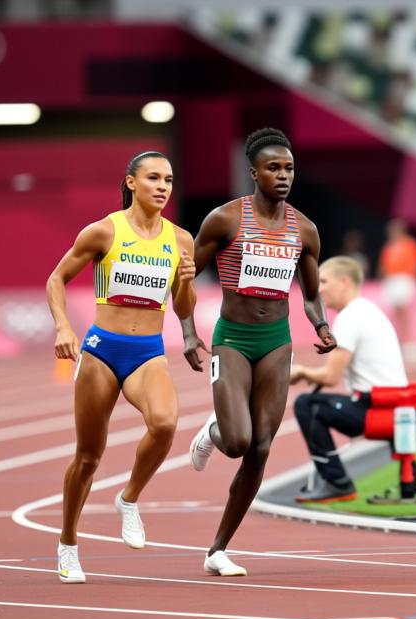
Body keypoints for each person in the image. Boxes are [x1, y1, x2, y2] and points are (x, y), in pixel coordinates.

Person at [182, 128, 336, 577]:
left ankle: (217, 549)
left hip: (276, 343)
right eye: (273, 168)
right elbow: (185, 275)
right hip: (232, 339)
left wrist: (322, 325)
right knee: (236, 441)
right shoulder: (225, 220)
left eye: (288, 168)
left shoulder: (304, 229)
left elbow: (309, 293)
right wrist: (190, 333)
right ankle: (215, 430)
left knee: (261, 446)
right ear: (254, 173)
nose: (283, 175)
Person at [46, 151, 197, 584]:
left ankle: (129, 499)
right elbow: (56, 279)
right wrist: (63, 327)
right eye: (153, 178)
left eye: (168, 179)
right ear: (131, 182)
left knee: (165, 424)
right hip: (102, 349)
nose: (163, 186)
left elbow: (183, 309)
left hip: (147, 350)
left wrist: (186, 280)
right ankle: (68, 542)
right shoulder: (103, 231)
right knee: (89, 456)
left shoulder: (181, 240)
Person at [289, 256, 409, 503]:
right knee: (316, 400)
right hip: (403, 409)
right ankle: (407, 484)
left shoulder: (350, 317)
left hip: (380, 410)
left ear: (344, 282)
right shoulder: (367, 310)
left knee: (306, 404)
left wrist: (300, 371)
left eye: (324, 281)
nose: (319, 289)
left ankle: (337, 482)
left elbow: (330, 377)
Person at [379, 219, 416, 357]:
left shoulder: (410, 244)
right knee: (394, 313)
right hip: (391, 280)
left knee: (404, 312)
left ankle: (409, 343)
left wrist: (412, 277)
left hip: (404, 279)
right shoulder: (388, 246)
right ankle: (397, 342)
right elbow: (383, 265)